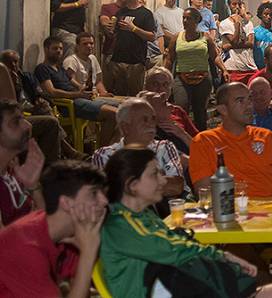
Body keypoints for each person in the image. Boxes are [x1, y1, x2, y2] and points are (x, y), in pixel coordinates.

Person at [100, 148, 272, 298]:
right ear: (132, 185)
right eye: (154, 174)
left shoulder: (144, 216)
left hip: (178, 289)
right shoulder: (120, 224)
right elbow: (171, 249)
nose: (162, 180)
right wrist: (225, 256)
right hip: (161, 291)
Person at [0, 159, 107, 297]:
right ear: (67, 203)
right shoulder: (26, 245)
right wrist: (88, 252)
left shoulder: (71, 234)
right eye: (94, 193)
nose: (104, 201)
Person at [189, 83, 272, 198]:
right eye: (240, 101)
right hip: (228, 211)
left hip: (270, 210)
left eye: (249, 99)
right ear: (223, 109)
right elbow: (204, 193)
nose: (249, 105)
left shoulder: (267, 137)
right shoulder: (204, 141)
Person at [90, 97, 186, 201]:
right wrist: (159, 180)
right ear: (125, 127)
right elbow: (109, 194)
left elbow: (176, 187)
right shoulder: (105, 155)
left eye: (153, 119)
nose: (151, 124)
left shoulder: (165, 147)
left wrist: (128, 184)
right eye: (144, 120)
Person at [35, 36, 119, 145]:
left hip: (80, 98)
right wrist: (77, 94)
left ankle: (110, 146)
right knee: (115, 113)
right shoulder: (42, 68)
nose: (59, 51)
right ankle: (102, 152)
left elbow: (73, 82)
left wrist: (86, 90)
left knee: (123, 108)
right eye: (55, 48)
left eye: (60, 49)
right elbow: (51, 92)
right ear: (46, 49)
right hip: (69, 104)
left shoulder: (59, 68)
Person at [163, 8, 229, 131]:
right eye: (184, 18)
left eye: (189, 18)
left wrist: (224, 70)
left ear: (197, 20)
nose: (185, 21)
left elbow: (214, 56)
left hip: (202, 78)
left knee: (200, 112)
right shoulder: (177, 37)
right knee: (181, 109)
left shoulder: (206, 37)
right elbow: (170, 59)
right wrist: (164, 75)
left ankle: (201, 139)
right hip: (182, 78)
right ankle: (182, 139)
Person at [1, 52, 74, 162]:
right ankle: (64, 153)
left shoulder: (25, 76)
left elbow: (40, 92)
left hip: (30, 109)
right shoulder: (3, 77)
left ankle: (62, 155)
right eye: (9, 62)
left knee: (45, 108)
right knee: (51, 122)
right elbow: (10, 106)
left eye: (15, 62)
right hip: (15, 116)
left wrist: (39, 99)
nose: (13, 65)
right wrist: (15, 86)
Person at [0, 100, 46, 226]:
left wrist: (33, 186)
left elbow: (44, 221)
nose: (28, 126)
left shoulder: (13, 169)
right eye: (15, 122)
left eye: (23, 119)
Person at [108, 0, 157, 96]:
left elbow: (151, 36)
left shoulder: (146, 14)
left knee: (136, 96)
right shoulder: (121, 12)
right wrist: (110, 29)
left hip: (135, 62)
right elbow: (114, 33)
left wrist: (133, 29)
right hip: (118, 60)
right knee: (119, 95)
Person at [143, 67, 198, 154]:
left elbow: (199, 145)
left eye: (165, 85)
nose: (160, 89)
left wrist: (181, 133)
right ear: (146, 87)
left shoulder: (177, 111)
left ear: (170, 89)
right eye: (155, 84)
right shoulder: (137, 114)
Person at [220, 0, 258, 83]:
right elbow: (235, 41)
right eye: (234, 4)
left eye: (239, 4)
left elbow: (251, 43)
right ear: (229, 6)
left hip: (249, 67)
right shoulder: (224, 23)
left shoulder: (248, 23)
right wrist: (237, 24)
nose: (237, 7)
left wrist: (227, 46)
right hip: (233, 67)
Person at [63, 33, 109, 97]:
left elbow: (98, 81)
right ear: (77, 46)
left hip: (94, 95)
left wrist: (104, 93)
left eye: (91, 43)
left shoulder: (93, 58)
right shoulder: (71, 61)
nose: (89, 46)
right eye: (85, 44)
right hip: (79, 96)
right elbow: (70, 81)